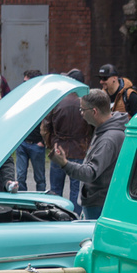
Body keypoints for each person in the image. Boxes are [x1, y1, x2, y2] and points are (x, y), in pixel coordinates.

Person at [52, 89, 127, 221]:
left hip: (98, 204)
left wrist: (64, 163)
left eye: (82, 109)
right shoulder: (103, 128)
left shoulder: (108, 139)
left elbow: (90, 173)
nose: (81, 113)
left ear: (94, 112)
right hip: (96, 201)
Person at [41, 69, 90, 208]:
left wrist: (51, 144)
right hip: (80, 150)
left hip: (58, 150)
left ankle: (57, 216)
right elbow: (92, 128)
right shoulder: (85, 103)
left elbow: (45, 128)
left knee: (56, 190)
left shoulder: (56, 102)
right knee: (76, 191)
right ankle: (74, 218)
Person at [15, 69, 46, 191]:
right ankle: (23, 206)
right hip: (22, 143)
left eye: (27, 82)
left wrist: (43, 141)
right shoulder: (21, 97)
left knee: (40, 178)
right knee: (20, 177)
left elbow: (49, 121)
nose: (24, 85)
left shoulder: (44, 99)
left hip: (37, 143)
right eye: (24, 82)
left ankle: (41, 203)